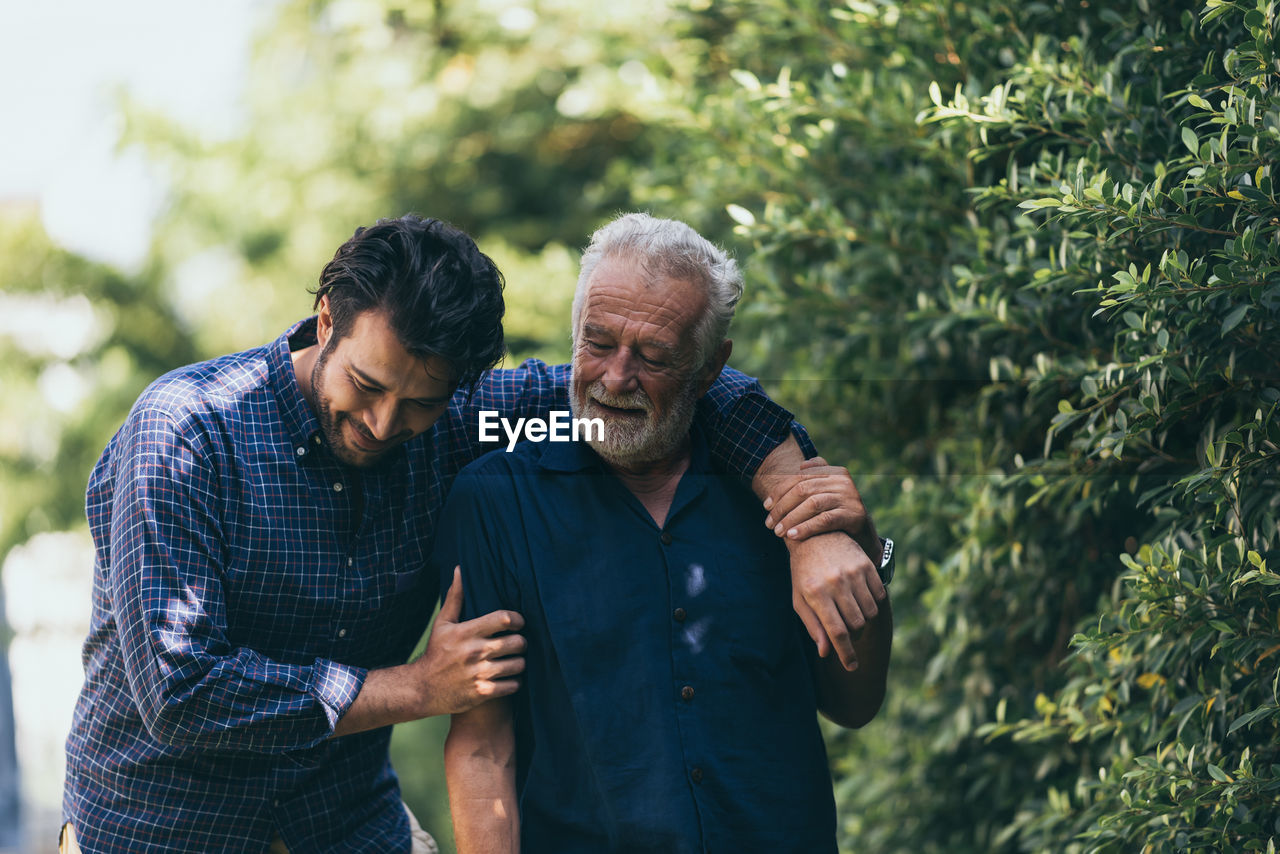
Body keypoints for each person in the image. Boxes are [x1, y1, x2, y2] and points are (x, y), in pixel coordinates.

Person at [61, 215, 882, 853]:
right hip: (158, 828)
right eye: (367, 384)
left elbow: (691, 393)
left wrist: (803, 511)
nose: (385, 424)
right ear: (325, 322)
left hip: (344, 829)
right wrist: (420, 688)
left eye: (419, 402)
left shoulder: (463, 421)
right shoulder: (185, 436)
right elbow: (181, 692)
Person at [438, 213, 895, 853]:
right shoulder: (496, 498)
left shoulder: (779, 490)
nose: (616, 379)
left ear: (711, 369)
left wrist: (861, 551)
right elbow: (486, 744)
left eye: (653, 357)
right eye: (596, 344)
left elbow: (854, 703)